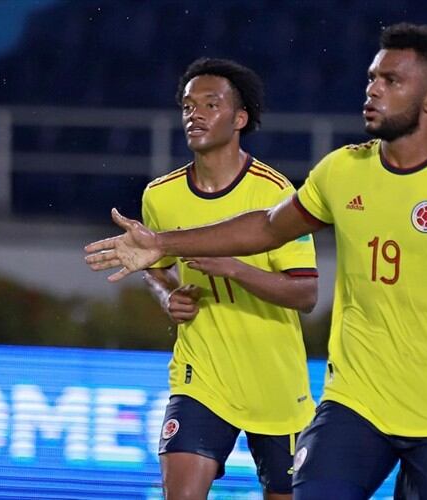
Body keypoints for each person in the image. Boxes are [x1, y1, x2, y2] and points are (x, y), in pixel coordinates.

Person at [86, 24, 427, 499]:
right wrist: (163, 245)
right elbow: (267, 227)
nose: (372, 89)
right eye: (372, 77)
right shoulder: (342, 170)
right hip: (353, 406)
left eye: (391, 81)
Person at [133, 58, 319, 500]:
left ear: (239, 119)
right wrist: (166, 293)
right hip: (201, 376)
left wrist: (236, 267)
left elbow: (306, 293)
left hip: (275, 384)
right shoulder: (160, 196)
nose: (194, 114)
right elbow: (154, 263)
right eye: (187, 105)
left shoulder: (275, 194)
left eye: (210, 104)